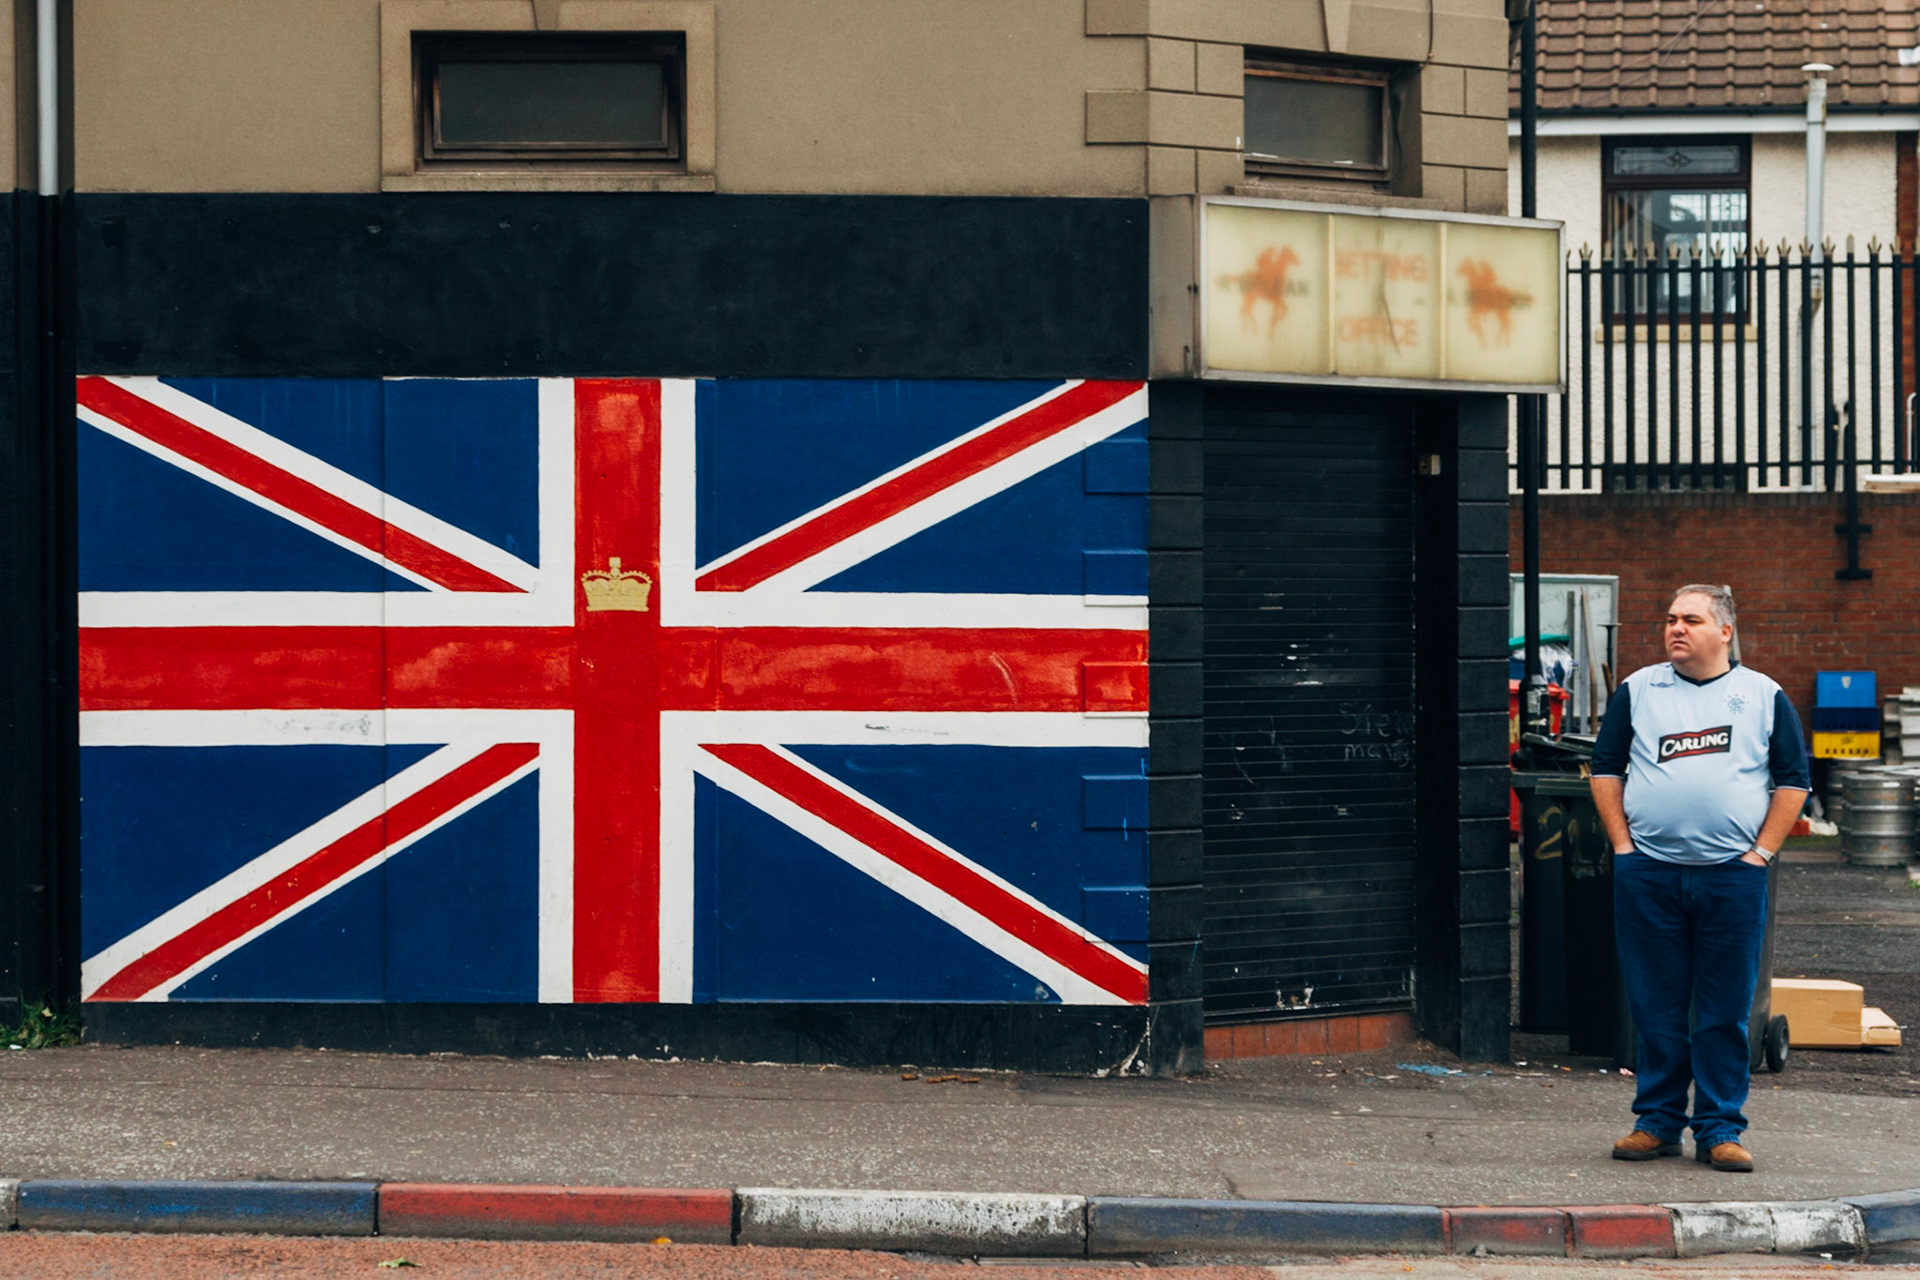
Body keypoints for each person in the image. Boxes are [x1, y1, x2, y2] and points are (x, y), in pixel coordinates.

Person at [1588, 584, 1810, 1173]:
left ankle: (1719, 1129)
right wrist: (1624, 847)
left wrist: (1760, 855)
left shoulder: (1762, 695)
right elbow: (1605, 768)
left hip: (1732, 878)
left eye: (1691, 619)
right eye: (1670, 619)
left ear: (1725, 632)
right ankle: (1658, 1123)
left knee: (1723, 1012)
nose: (1676, 629)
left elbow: (1793, 780)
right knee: (1655, 1008)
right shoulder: (1639, 690)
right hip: (1650, 875)